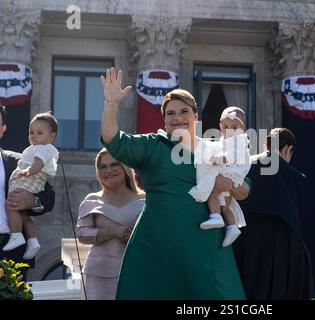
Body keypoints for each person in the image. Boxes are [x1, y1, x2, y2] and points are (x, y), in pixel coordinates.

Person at [100, 68, 248, 299]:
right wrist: (111, 104)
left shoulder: (217, 149)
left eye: (184, 111)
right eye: (170, 113)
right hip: (157, 242)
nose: (177, 117)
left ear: (195, 116)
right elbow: (113, 140)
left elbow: (245, 189)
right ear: (164, 119)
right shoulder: (153, 145)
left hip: (206, 244)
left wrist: (226, 183)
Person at [233, 127, 313, 299]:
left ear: (265, 145)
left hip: (244, 242)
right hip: (283, 250)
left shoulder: (245, 164)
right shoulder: (297, 178)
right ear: (287, 150)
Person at [76, 148, 145, 300]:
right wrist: (114, 232)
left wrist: (135, 237)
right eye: (103, 167)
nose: (108, 170)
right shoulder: (92, 199)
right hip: (98, 275)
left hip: (138, 272)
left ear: (125, 168)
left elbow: (156, 236)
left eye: (114, 165)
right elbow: (81, 234)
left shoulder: (147, 200)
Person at [0, 105, 55, 280]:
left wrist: (32, 201)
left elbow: (49, 198)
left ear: (3, 129)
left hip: (8, 250)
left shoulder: (21, 161)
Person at [189, 106, 251, 247]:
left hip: (232, 174)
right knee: (226, 206)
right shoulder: (224, 141)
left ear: (242, 128)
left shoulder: (239, 141)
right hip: (228, 174)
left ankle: (215, 217)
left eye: (234, 127)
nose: (229, 130)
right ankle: (232, 227)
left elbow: (230, 157)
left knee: (213, 191)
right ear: (220, 127)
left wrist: (215, 159)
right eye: (225, 126)